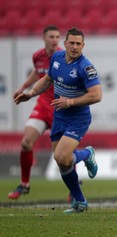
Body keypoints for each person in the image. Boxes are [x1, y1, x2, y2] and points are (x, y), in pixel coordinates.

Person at [14, 27, 102, 213]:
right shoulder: (57, 59)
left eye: (79, 43)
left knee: (61, 156)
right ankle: (80, 201)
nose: (75, 47)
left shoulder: (85, 67)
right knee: (63, 162)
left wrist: (69, 101)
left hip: (77, 117)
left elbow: (96, 96)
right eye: (72, 43)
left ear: (83, 45)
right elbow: (47, 80)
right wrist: (30, 93)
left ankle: (87, 154)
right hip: (59, 115)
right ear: (65, 43)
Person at [8, 25, 62, 200]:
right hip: (42, 105)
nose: (55, 40)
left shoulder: (62, 56)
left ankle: (74, 190)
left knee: (62, 154)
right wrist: (23, 86)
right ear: (44, 38)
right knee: (25, 143)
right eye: (51, 36)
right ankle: (24, 184)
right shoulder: (37, 56)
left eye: (57, 37)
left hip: (59, 108)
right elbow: (38, 73)